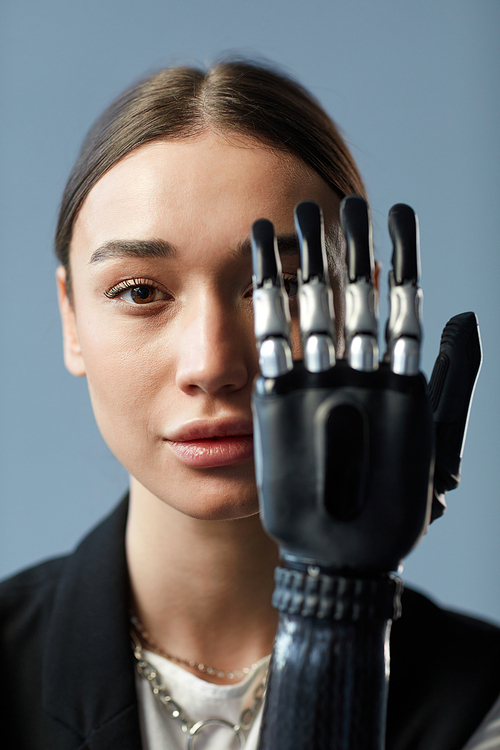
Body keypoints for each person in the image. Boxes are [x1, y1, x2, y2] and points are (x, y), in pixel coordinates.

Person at [1, 59, 499, 750]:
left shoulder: (481, 699)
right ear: (70, 320)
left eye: (283, 288)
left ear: (366, 311)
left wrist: (342, 618)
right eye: (141, 291)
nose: (212, 365)